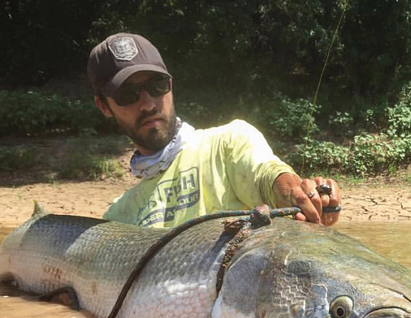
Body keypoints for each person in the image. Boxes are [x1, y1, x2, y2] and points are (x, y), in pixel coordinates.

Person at [87, 33, 341, 228]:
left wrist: (294, 193)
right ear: (103, 106)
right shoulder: (117, 219)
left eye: (157, 85)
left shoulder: (228, 142)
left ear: (171, 84)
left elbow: (266, 173)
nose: (148, 103)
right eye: (127, 94)